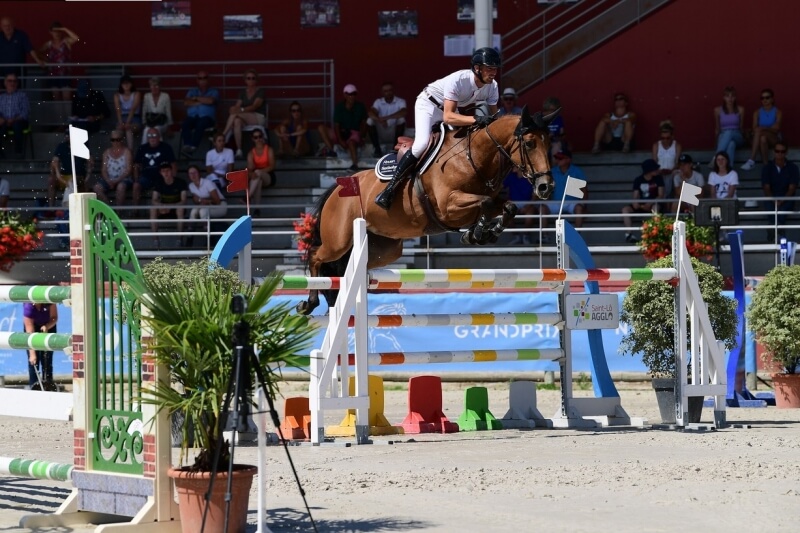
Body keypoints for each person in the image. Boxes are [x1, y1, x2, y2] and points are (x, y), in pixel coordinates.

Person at [375, 47, 501, 210]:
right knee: (421, 144)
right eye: (489, 68)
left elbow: (495, 118)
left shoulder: (493, 86)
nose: (493, 72)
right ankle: (389, 190)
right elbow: (448, 117)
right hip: (429, 105)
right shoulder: (459, 80)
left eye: (495, 69)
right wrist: (476, 119)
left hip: (451, 109)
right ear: (477, 68)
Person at [318, 83, 368, 171]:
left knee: (352, 142)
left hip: (354, 132)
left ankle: (354, 164)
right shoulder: (339, 107)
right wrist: (340, 140)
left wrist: (362, 137)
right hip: (341, 132)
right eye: (349, 94)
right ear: (345, 95)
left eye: (353, 94)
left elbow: (364, 123)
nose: (351, 96)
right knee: (321, 128)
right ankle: (331, 151)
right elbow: (336, 125)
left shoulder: (360, 106)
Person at [222, 69, 267, 158]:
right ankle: (239, 150)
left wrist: (240, 110)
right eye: (248, 78)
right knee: (236, 121)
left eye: (253, 78)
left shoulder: (260, 91)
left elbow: (255, 106)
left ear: (256, 80)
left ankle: (224, 135)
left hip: (258, 117)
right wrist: (233, 109)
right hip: (244, 117)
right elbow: (237, 105)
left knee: (235, 115)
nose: (251, 80)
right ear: (245, 80)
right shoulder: (242, 92)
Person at [540, 148, 587, 231]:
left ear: (568, 160)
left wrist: (585, 206)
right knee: (542, 208)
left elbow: (584, 190)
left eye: (560, 158)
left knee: (579, 209)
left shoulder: (576, 171)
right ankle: (544, 236)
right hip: (556, 202)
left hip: (572, 203)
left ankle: (576, 237)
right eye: (557, 158)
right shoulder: (552, 171)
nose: (557, 160)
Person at [621, 158, 664, 243]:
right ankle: (629, 234)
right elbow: (635, 196)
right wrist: (636, 203)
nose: (657, 170)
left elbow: (661, 195)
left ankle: (656, 234)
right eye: (655, 169)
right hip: (641, 205)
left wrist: (650, 202)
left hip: (653, 204)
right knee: (625, 210)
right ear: (648, 170)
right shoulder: (638, 180)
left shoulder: (659, 179)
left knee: (655, 208)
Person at [133, 127, 176, 209]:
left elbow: (173, 164)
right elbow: (136, 165)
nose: (152, 138)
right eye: (149, 135)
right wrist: (136, 178)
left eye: (154, 135)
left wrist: (172, 179)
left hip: (162, 177)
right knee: (136, 185)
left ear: (159, 136)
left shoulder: (166, 147)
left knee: (161, 187)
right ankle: (135, 211)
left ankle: (160, 212)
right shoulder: (142, 148)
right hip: (146, 177)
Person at [761, 142, 798, 234]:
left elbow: (792, 188)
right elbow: (766, 188)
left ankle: (773, 233)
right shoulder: (767, 168)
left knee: (781, 211)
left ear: (786, 152)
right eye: (777, 151)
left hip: (787, 198)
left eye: (782, 151)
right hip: (771, 198)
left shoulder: (793, 167)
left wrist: (782, 200)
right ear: (774, 152)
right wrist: (774, 200)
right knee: (771, 210)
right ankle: (780, 236)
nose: (780, 153)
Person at [49, 128, 91, 209]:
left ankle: (77, 208)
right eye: (66, 135)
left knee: (73, 181)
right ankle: (51, 209)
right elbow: (54, 161)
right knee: (51, 180)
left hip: (79, 177)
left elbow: (90, 161)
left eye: (69, 135)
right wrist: (57, 175)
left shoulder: (82, 146)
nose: (67, 137)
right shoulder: (61, 146)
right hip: (63, 177)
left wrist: (88, 176)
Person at [742, 89, 782, 171]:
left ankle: (752, 159)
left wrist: (763, 128)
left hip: (774, 138)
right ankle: (766, 165)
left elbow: (776, 129)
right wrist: (768, 128)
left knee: (759, 132)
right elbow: (754, 128)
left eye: (767, 97)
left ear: (772, 99)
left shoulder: (777, 112)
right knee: (762, 138)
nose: (764, 100)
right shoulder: (757, 112)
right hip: (761, 139)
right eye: (762, 98)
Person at [181, 70, 218, 156]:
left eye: (204, 78)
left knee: (201, 124)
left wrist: (196, 98)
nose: (202, 80)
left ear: (208, 79)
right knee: (185, 123)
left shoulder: (213, 91)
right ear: (197, 80)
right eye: (200, 78)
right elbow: (186, 102)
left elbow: (211, 101)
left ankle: (193, 146)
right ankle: (187, 145)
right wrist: (203, 101)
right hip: (193, 117)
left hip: (207, 118)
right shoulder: (192, 91)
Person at [150, 162, 187, 248]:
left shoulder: (180, 182)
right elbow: (154, 200)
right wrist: (161, 206)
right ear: (160, 173)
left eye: (167, 170)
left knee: (180, 209)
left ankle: (179, 240)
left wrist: (170, 206)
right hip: (163, 209)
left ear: (171, 171)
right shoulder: (158, 182)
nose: (166, 173)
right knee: (153, 209)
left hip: (176, 209)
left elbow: (184, 200)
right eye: (163, 171)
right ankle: (156, 241)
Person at [39, 21, 79, 101]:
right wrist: (45, 60)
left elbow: (76, 38)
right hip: (53, 74)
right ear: (50, 32)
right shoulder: (49, 44)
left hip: (65, 74)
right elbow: (38, 52)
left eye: (58, 31)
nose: (56, 34)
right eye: (54, 32)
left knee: (66, 98)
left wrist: (64, 29)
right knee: (56, 98)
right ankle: (58, 114)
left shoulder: (66, 41)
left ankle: (67, 114)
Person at [23, 302, 58, 390]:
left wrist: (47, 326)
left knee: (47, 359)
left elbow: (54, 317)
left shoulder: (49, 301)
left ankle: (49, 386)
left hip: (48, 326)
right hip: (33, 328)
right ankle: (34, 387)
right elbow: (29, 331)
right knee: (34, 361)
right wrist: (32, 354)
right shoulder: (28, 306)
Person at [93, 130, 132, 208]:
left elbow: (128, 170)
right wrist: (108, 180)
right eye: (113, 140)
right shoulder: (106, 153)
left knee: (121, 187)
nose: (115, 142)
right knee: (96, 188)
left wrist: (117, 180)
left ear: (122, 139)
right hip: (109, 179)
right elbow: (103, 170)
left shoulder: (127, 152)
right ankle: (109, 209)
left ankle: (118, 211)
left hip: (124, 179)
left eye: (118, 140)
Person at [366, 82, 406, 157]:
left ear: (393, 91)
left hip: (394, 132)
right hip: (381, 131)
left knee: (401, 120)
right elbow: (370, 113)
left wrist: (386, 118)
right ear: (382, 92)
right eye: (385, 91)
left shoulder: (400, 101)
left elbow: (403, 112)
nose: (388, 93)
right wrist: (379, 120)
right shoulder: (378, 102)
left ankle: (395, 149)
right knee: (369, 121)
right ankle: (377, 149)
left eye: (390, 90)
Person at [713, 86, 745, 167]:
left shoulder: (740, 109)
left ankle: (716, 157)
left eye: (732, 96)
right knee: (731, 144)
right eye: (727, 96)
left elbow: (741, 127)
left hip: (737, 135)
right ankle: (729, 170)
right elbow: (717, 129)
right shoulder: (717, 110)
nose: (730, 99)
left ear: (735, 97)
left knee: (730, 132)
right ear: (724, 98)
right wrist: (717, 142)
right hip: (723, 135)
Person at [502, 170, 536, 245]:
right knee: (506, 214)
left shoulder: (530, 178)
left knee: (530, 214)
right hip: (513, 203)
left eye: (515, 165)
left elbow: (534, 196)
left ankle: (525, 236)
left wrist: (527, 206)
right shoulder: (511, 176)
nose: (513, 166)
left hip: (528, 203)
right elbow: (501, 187)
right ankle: (516, 236)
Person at [247, 129, 276, 213]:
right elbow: (249, 169)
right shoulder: (251, 153)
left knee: (258, 173)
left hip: (268, 175)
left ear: (263, 137)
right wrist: (253, 173)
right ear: (253, 139)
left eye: (260, 136)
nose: (258, 139)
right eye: (256, 137)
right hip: (256, 177)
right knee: (258, 181)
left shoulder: (269, 149)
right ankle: (257, 209)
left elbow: (272, 166)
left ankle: (248, 197)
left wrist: (259, 172)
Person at [0, 72, 29, 156]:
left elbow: (25, 112)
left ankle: (18, 154)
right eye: (10, 81)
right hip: (4, 121)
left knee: (17, 126)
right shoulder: (1, 98)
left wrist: (14, 119)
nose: (12, 83)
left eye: (14, 81)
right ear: (5, 82)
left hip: (19, 121)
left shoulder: (23, 96)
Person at [651, 120, 681, 199]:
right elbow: (654, 161)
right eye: (663, 138)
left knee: (676, 176)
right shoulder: (656, 145)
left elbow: (678, 162)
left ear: (672, 136)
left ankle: (673, 197)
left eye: (667, 138)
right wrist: (660, 170)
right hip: (659, 171)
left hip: (672, 171)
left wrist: (671, 170)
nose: (665, 140)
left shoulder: (677, 146)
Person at [113, 75, 141, 150]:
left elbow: (133, 109)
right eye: (123, 83)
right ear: (121, 85)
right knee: (116, 133)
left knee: (129, 130)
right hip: (122, 118)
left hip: (135, 118)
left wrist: (127, 123)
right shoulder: (117, 95)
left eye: (128, 83)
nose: (126, 85)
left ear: (131, 84)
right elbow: (118, 109)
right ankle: (117, 153)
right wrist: (121, 123)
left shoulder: (136, 94)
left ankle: (130, 153)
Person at [141, 76, 172, 142]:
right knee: (146, 130)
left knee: (156, 129)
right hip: (150, 123)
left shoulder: (165, 96)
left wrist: (169, 127)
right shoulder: (147, 96)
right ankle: (143, 149)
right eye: (152, 86)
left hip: (162, 123)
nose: (154, 88)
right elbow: (144, 110)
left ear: (160, 86)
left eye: (156, 86)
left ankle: (158, 149)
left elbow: (168, 112)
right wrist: (144, 123)